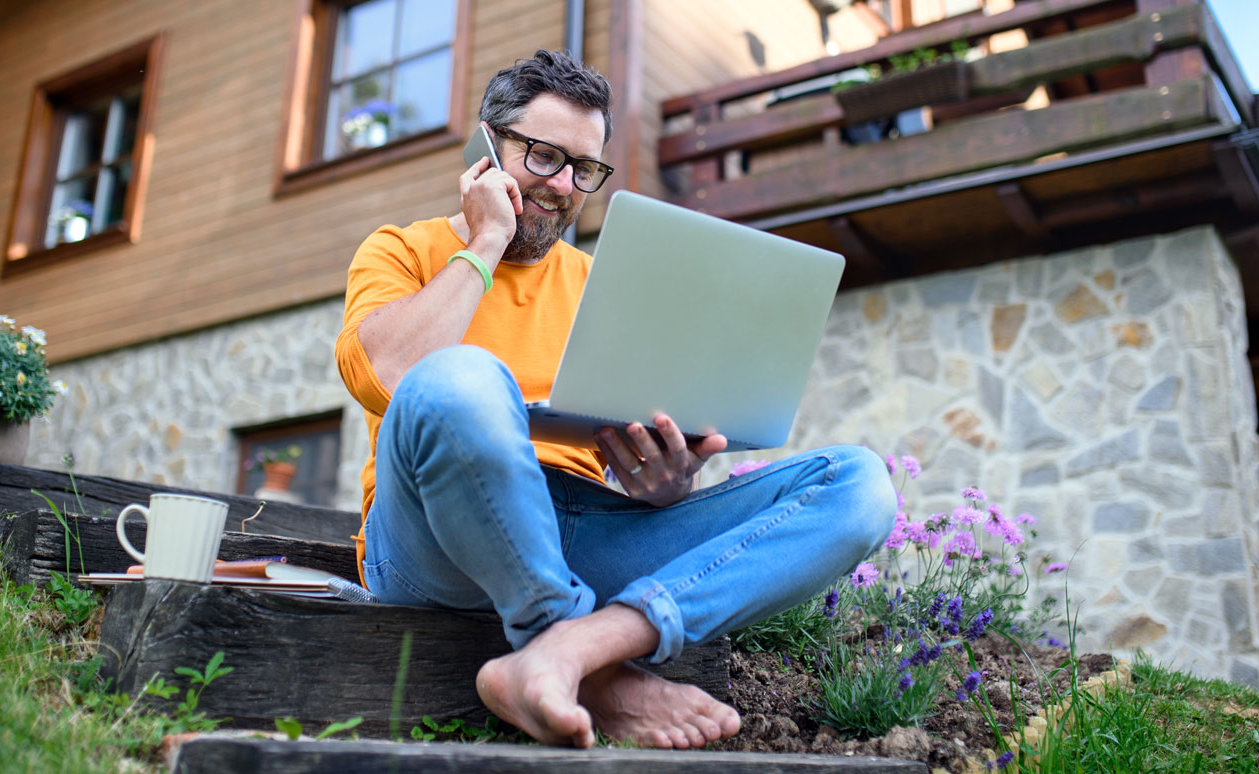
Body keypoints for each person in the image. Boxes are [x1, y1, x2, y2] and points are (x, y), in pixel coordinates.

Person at [335, 49, 896, 750]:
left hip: (582, 528)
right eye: (542, 156)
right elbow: (388, 373)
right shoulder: (400, 250)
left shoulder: (606, 284)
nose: (564, 186)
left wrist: (664, 485)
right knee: (462, 378)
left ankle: (577, 649)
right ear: (487, 146)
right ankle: (595, 670)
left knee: (859, 485)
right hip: (429, 542)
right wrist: (485, 241)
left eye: (584, 169)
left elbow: (635, 446)